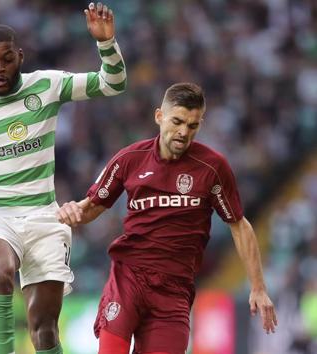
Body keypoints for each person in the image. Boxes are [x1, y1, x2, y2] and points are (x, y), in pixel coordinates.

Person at [0, 2, 126, 353]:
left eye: (6, 59)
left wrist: (106, 43)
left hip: (44, 218)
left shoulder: (47, 85)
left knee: (44, 333)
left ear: (20, 56)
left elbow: (113, 84)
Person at [56, 82, 278, 354]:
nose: (184, 132)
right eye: (178, 121)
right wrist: (71, 211)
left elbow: (239, 226)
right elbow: (90, 208)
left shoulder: (212, 167)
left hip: (174, 292)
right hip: (129, 278)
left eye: (193, 125)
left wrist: (258, 287)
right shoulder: (129, 159)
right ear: (159, 116)